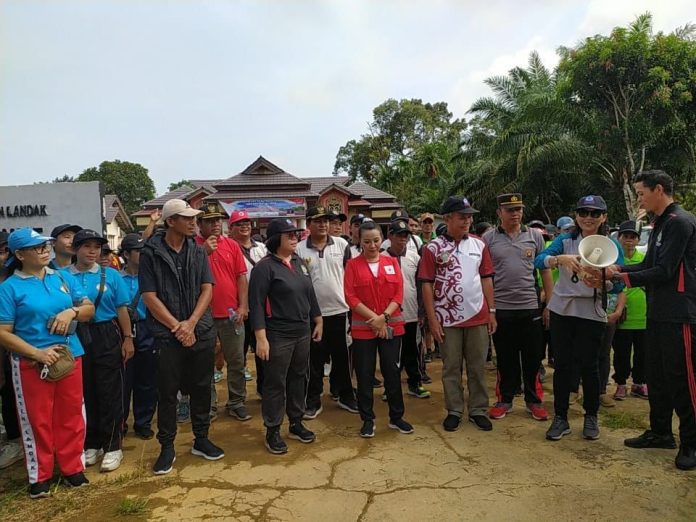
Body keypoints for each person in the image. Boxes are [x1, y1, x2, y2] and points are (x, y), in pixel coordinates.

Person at [603, 170, 696, 470]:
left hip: (679, 314)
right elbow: (648, 263)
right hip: (658, 312)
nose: (639, 199)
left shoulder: (680, 222)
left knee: (682, 379)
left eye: (641, 193)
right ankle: (660, 432)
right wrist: (618, 269)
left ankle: (691, 443)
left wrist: (623, 278)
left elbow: (665, 270)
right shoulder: (660, 223)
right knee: (657, 376)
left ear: (658, 189)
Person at [0, 228, 95, 498]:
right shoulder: (9, 288)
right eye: (37, 247)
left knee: (71, 414)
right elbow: (3, 332)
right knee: (36, 419)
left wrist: (71, 311)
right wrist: (37, 354)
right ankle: (39, 475)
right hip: (31, 363)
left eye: (45, 246)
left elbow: (88, 309)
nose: (45, 251)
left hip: (69, 356)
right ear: (20, 255)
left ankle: (72, 468)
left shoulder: (62, 277)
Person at [139, 198, 223, 475]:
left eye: (194, 218)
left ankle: (201, 438)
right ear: (170, 221)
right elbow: (149, 296)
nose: (193, 222)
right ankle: (167, 446)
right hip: (166, 335)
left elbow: (207, 288)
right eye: (187, 218)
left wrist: (192, 323)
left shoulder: (197, 251)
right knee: (167, 393)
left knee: (201, 387)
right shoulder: (150, 253)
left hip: (200, 331)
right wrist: (178, 327)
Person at [535, 195, 624, 442]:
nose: (588, 218)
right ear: (576, 215)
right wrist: (559, 259)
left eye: (595, 213)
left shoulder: (611, 245)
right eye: (583, 212)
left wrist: (606, 280)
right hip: (563, 310)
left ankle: (591, 416)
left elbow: (621, 283)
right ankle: (560, 417)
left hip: (592, 312)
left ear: (604, 217)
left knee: (590, 366)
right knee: (562, 365)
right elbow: (539, 260)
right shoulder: (565, 240)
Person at [419, 196, 496, 433]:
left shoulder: (479, 244)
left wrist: (492, 311)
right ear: (448, 218)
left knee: (477, 366)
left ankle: (478, 409)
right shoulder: (432, 248)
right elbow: (426, 284)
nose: (467, 221)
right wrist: (432, 319)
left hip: (478, 315)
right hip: (447, 318)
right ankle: (454, 410)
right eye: (462, 217)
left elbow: (486, 279)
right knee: (451, 367)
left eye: (469, 217)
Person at [248, 218, 322, 454]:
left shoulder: (298, 262)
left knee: (298, 377)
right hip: (277, 334)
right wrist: (261, 338)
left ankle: (296, 422)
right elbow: (256, 304)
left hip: (302, 331)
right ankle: (273, 429)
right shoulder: (264, 268)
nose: (294, 238)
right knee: (275, 382)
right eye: (289, 234)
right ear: (275, 239)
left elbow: (310, 292)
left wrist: (318, 319)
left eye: (295, 234)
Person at [66, 229, 134, 472]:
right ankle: (91, 442)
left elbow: (121, 309)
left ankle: (113, 444)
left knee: (110, 390)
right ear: (75, 249)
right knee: (84, 390)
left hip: (106, 333)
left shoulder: (111, 275)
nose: (92, 251)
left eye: (96, 247)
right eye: (87, 246)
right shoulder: (61, 276)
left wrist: (128, 338)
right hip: (75, 335)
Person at [484, 193, 552, 422]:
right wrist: (490, 309)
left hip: (530, 307)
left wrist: (549, 304)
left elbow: (544, 271)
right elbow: (484, 276)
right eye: (510, 210)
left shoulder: (535, 236)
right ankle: (505, 399)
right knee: (505, 358)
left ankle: (534, 401)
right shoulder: (488, 239)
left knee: (533, 358)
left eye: (518, 209)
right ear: (499, 213)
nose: (515, 214)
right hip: (502, 309)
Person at [345, 220, 414, 437]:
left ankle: (397, 417)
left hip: (390, 326)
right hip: (364, 329)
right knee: (364, 374)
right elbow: (350, 297)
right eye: (367, 242)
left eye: (376, 240)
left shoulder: (391, 262)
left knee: (391, 371)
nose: (372, 245)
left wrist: (383, 318)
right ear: (360, 242)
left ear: (382, 239)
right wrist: (374, 320)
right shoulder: (352, 265)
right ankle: (367, 419)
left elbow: (398, 294)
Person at [297, 206, 358, 418]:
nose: (323, 224)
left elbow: (350, 276)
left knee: (342, 358)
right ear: (308, 224)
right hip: (313, 315)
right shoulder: (299, 249)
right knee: (314, 360)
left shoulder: (341, 244)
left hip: (340, 311)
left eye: (326, 221)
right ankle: (313, 400)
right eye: (318, 221)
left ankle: (345, 396)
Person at [195, 202, 251, 422]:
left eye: (218, 220)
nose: (216, 224)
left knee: (236, 360)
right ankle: (208, 405)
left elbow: (241, 277)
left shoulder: (232, 245)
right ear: (199, 224)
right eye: (210, 220)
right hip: (203, 316)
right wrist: (203, 252)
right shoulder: (192, 246)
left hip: (231, 314)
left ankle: (236, 402)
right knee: (204, 364)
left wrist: (243, 306)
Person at [384, 220, 430, 398]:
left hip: (411, 312)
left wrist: (422, 311)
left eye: (406, 235)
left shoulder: (414, 257)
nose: (403, 238)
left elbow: (420, 286)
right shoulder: (381, 258)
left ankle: (415, 383)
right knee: (391, 354)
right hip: (389, 315)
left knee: (412, 350)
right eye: (399, 235)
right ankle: (390, 388)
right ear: (390, 236)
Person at [120, 233, 158, 440]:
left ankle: (143, 422)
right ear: (126, 254)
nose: (143, 255)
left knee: (147, 379)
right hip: (122, 331)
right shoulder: (115, 278)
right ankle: (120, 422)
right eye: (138, 251)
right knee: (123, 381)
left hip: (147, 329)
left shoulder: (152, 277)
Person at [228, 209, 268, 398]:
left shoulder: (262, 248)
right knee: (238, 355)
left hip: (261, 308)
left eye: (247, 223)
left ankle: (263, 389)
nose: (244, 226)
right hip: (238, 309)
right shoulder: (227, 247)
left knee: (263, 351)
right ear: (231, 228)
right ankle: (237, 397)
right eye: (239, 224)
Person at [611, 220, 648, 400]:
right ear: (619, 238)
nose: (629, 240)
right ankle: (621, 384)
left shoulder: (644, 259)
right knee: (621, 353)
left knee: (643, 353)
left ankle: (639, 384)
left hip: (643, 316)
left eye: (633, 237)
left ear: (638, 240)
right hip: (623, 316)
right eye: (625, 236)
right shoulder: (614, 261)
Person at [0, 230, 24, 471]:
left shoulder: (11, 280)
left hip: (11, 345)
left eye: (3, 251)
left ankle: (16, 441)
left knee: (10, 392)